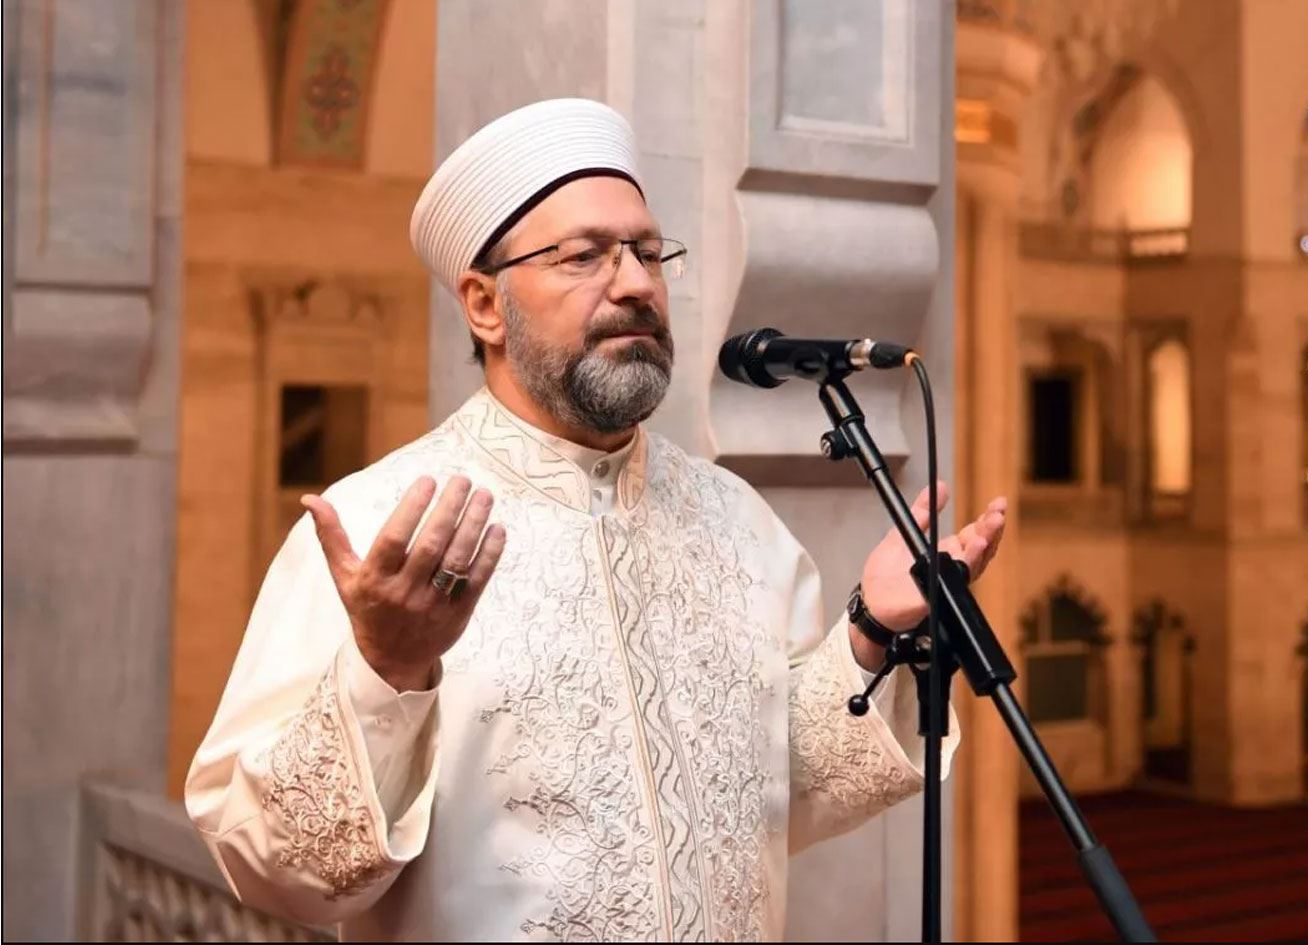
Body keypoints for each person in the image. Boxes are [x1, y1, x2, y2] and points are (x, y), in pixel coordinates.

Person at [185, 98, 1008, 941]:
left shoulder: (737, 522)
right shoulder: (376, 528)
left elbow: (781, 789)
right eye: (585, 256)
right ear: (485, 304)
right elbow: (272, 864)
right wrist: (384, 669)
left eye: (648, 252)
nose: (636, 284)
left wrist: (869, 632)